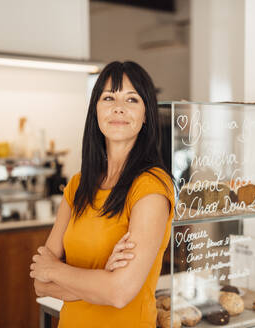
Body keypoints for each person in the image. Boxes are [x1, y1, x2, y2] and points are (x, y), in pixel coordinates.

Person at [30, 61, 175, 327]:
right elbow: (41, 284)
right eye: (108, 97)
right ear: (95, 110)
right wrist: (102, 277)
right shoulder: (77, 186)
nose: (118, 107)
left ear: (146, 116)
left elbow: (119, 293)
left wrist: (56, 270)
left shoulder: (152, 187)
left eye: (132, 99)